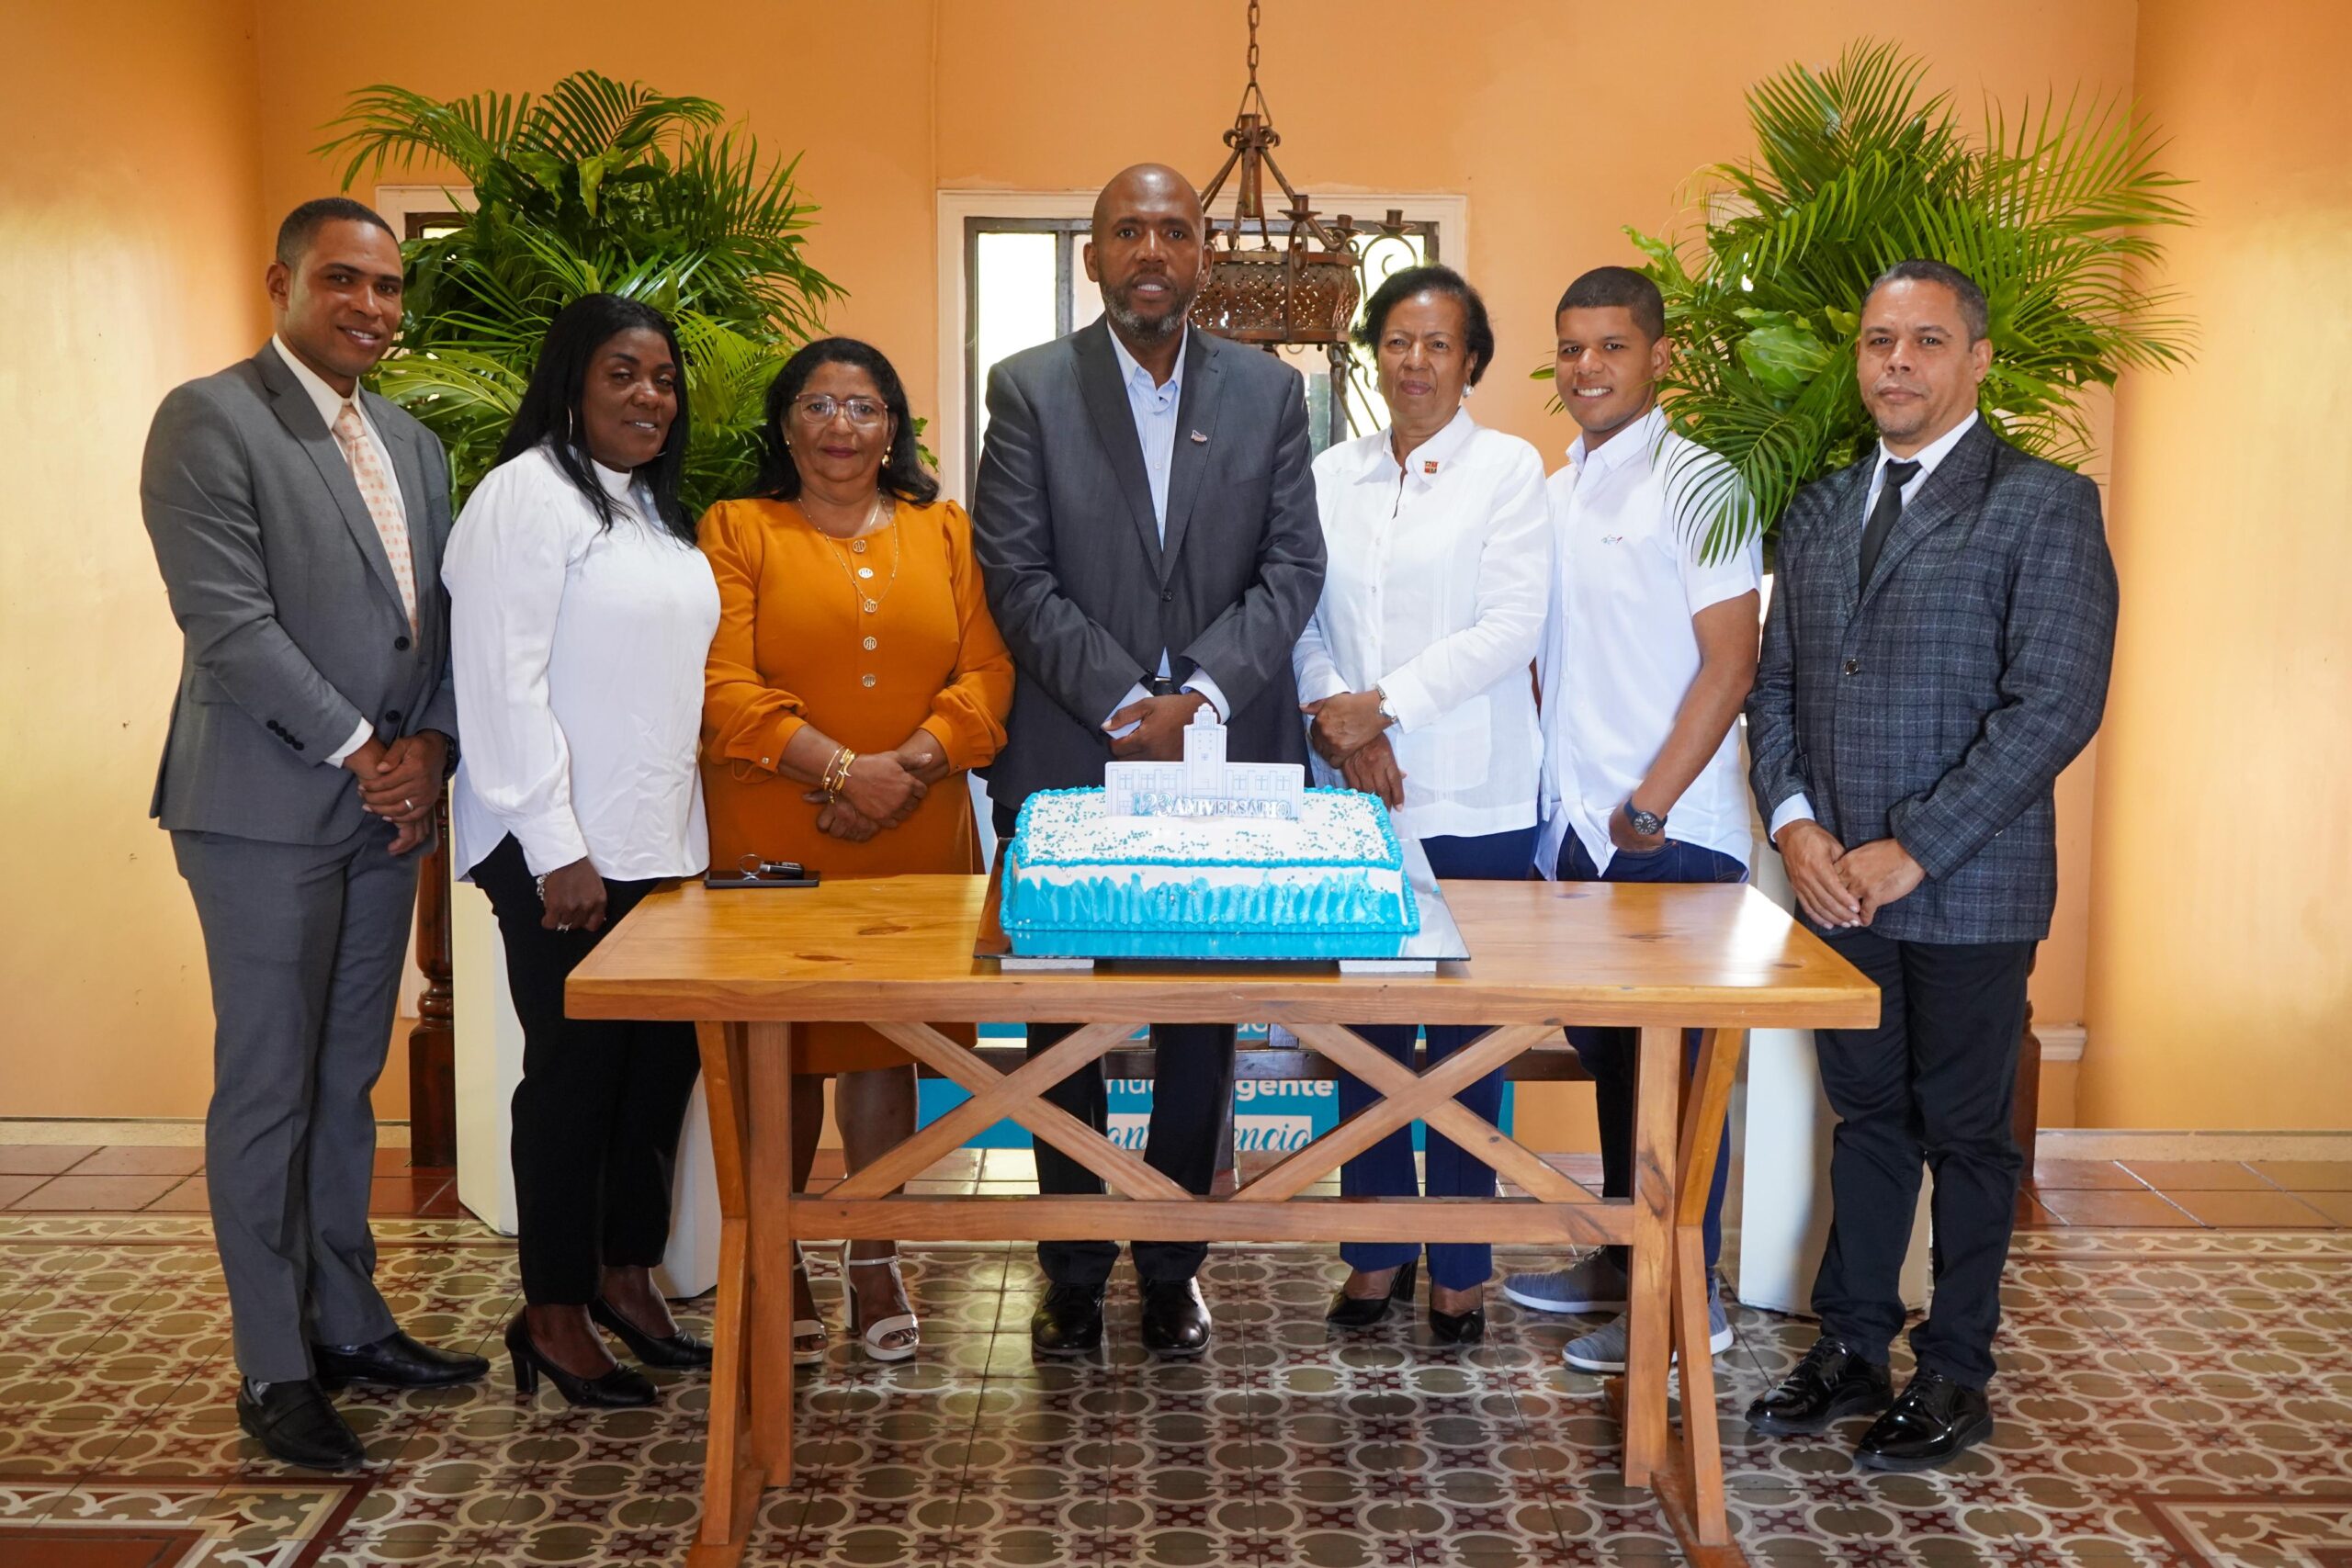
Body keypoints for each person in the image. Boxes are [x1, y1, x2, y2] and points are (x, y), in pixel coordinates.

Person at [1743, 259, 2118, 1471]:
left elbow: (2054, 703)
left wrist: (1917, 846)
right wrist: (1795, 826)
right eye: (1877, 340)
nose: (1895, 361)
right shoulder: (1815, 508)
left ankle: (1955, 1371)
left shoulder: (2043, 503)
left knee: (1966, 1133)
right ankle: (1852, 1346)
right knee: (1866, 1119)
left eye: (1925, 340)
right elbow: (1775, 687)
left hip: (1969, 883)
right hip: (1833, 884)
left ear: (1977, 358)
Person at [140, 197, 488, 1470]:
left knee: (345, 1079)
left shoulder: (412, 441)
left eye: (388, 287)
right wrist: (363, 750)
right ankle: (273, 1363)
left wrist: (431, 745)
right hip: (262, 811)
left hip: (385, 815)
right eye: (343, 280)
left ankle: (347, 1319)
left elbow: (438, 618)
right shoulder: (210, 418)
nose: (370, 307)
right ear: (281, 282)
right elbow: (226, 621)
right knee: (269, 1085)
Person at [972, 163, 1324, 1360]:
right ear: (1094, 257)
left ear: (1204, 254)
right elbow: (1015, 573)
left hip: (1220, 764)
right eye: (1129, 231)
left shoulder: (1270, 393)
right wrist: (1132, 700)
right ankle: (1071, 1266)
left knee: (1198, 1021)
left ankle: (1174, 1262)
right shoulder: (1027, 388)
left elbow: (1293, 566)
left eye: (1175, 230)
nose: (1152, 251)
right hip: (1077, 746)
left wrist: (1202, 694)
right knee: (1062, 1022)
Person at [699, 338, 1012, 1364]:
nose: (842, 425)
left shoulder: (944, 529)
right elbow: (721, 685)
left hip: (915, 831)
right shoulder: (738, 528)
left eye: (865, 406)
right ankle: (780, 1254)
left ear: (894, 429)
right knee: (781, 1048)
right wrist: (840, 772)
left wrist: (902, 770)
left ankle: (873, 1253)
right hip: (775, 832)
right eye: (819, 404)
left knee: (885, 1045)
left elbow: (988, 676)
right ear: (785, 423)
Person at [444, 294, 720, 1407]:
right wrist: (557, 846)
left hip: (658, 848)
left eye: (663, 378)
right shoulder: (524, 497)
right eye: (622, 373)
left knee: (654, 1081)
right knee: (572, 1084)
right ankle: (553, 1309)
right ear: (570, 382)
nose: (650, 395)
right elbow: (499, 683)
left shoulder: (648, 508)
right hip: (562, 853)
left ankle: (624, 1277)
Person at [1500, 267, 1760, 1373]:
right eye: (1570, 348)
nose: (1587, 367)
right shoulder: (1556, 491)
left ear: (1659, 356)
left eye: (1611, 346)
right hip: (1578, 835)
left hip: (1669, 830)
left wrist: (1650, 802)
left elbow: (1731, 661)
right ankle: (1623, 1264)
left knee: (1679, 1075)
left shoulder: (1701, 482)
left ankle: (1688, 1299)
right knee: (1615, 1063)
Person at [1296, 264, 1548, 1345]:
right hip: (1350, 797)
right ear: (1373, 355)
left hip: (1473, 799)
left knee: (1462, 1050)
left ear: (1471, 361)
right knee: (1363, 1040)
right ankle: (1374, 1251)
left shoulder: (1509, 470)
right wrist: (1337, 718)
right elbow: (1298, 618)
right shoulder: (1329, 474)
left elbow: (1511, 625)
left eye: (1438, 344)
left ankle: (1459, 1264)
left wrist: (1382, 709)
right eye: (1397, 341)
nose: (1415, 362)